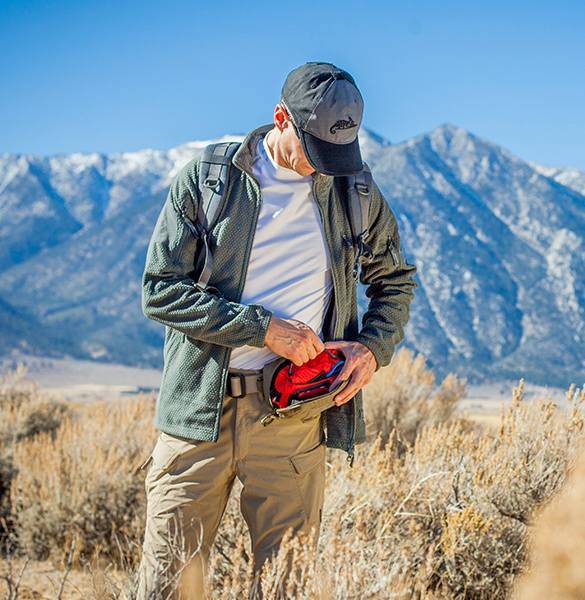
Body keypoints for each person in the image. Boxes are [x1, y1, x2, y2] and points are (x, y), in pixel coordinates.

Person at [136, 61, 418, 599]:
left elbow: (396, 279)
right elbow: (160, 290)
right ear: (280, 117)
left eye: (334, 154)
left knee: (288, 588)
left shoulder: (354, 192)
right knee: (167, 587)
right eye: (312, 150)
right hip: (198, 415)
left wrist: (371, 349)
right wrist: (261, 329)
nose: (320, 167)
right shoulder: (210, 180)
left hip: (292, 416)